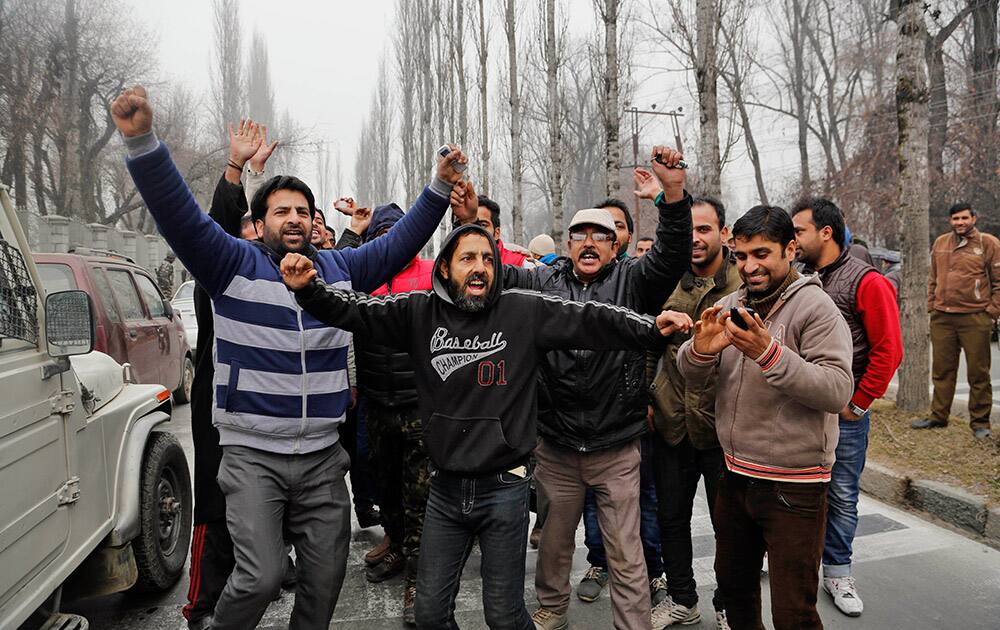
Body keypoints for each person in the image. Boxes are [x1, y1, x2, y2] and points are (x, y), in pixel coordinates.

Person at [110, 85, 472, 630]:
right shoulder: (230, 265)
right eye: (282, 211)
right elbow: (180, 217)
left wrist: (440, 187)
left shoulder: (338, 271)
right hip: (253, 457)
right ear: (261, 223)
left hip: (324, 460)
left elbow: (399, 245)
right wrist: (142, 142)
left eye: (303, 210)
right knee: (258, 577)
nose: (296, 219)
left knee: (325, 580)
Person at [279, 223, 691, 630]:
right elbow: (357, 310)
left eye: (487, 260)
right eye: (467, 259)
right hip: (444, 489)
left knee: (504, 615)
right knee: (430, 615)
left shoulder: (523, 310)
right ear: (445, 269)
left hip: (505, 488)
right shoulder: (418, 312)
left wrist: (651, 328)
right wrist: (308, 289)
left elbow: (591, 318)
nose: (479, 268)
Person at [489, 146, 692, 630]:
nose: (588, 241)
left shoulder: (635, 282)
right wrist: (470, 221)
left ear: (615, 245)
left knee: (626, 553)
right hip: (556, 446)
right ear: (567, 241)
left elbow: (672, 254)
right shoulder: (542, 281)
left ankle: (633, 624)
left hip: (617, 447)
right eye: (579, 233)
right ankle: (553, 610)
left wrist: (673, 193)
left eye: (601, 234)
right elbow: (491, 273)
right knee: (555, 546)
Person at [677, 205, 853, 630]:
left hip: (796, 485)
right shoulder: (731, 303)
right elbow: (690, 368)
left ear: (790, 249)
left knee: (793, 610)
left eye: (761, 254)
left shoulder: (815, 307)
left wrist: (768, 354)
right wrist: (700, 350)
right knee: (735, 591)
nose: (749, 266)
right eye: (740, 256)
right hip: (734, 476)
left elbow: (836, 389)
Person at [792, 198, 903, 618]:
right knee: (798, 490)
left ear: (825, 232)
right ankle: (795, 560)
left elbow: (889, 350)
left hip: (844, 413)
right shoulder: (802, 277)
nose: (794, 239)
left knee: (840, 494)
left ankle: (837, 571)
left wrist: (857, 404)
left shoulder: (867, 281)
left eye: (800, 230)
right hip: (802, 409)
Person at [182, 118, 263, 630]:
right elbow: (217, 226)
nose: (254, 241)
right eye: (247, 232)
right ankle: (202, 609)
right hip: (219, 418)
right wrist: (235, 169)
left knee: (252, 522)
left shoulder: (273, 281)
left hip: (259, 424)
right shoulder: (220, 280)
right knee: (216, 516)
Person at [647, 196, 739, 629]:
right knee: (671, 517)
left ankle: (728, 603)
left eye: (705, 229)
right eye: (690, 230)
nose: (696, 239)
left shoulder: (743, 283)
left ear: (723, 234)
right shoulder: (663, 279)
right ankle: (683, 598)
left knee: (729, 525)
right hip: (670, 422)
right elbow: (644, 343)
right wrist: (648, 398)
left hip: (723, 428)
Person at [353, 203, 437, 625]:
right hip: (375, 403)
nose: (391, 239)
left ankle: (418, 582)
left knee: (419, 497)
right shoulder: (364, 276)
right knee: (385, 488)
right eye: (382, 233)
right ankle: (398, 549)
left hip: (418, 406)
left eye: (397, 231)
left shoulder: (431, 274)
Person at [915, 201, 1000, 440]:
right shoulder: (941, 242)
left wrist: (992, 312)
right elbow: (933, 277)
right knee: (942, 371)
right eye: (955, 219)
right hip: (942, 316)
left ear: (974, 218)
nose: (960, 223)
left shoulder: (988, 243)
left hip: (975, 316)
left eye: (964, 218)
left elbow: (998, 281)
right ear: (950, 221)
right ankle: (938, 416)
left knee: (978, 373)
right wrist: (932, 304)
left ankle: (981, 424)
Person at [472, 194, 530, 267]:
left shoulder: (520, 263)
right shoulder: (455, 260)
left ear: (496, 233)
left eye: (483, 225)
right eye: (471, 225)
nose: (476, 230)